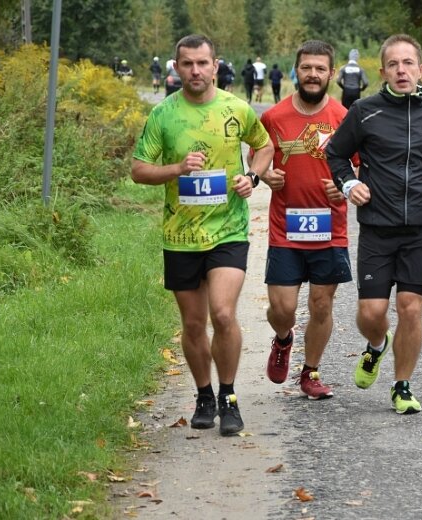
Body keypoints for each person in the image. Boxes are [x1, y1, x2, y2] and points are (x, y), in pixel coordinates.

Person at [130, 34, 274, 436]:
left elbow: (264, 147)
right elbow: (139, 170)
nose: (195, 70)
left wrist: (252, 176)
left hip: (228, 229)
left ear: (216, 66)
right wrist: (176, 169)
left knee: (223, 313)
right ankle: (204, 394)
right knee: (193, 324)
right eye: (187, 64)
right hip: (181, 235)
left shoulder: (236, 108)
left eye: (202, 63)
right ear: (176, 67)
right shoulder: (163, 115)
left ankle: (228, 396)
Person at [326, 34, 422, 414]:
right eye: (394, 64)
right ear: (383, 71)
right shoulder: (364, 111)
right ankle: (376, 345)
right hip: (377, 227)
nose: (401, 70)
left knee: (410, 308)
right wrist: (350, 183)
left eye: (408, 63)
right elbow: (336, 154)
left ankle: (401, 385)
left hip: (420, 228)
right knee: (372, 314)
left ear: (420, 70)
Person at [256, 40, 354, 400]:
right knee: (281, 309)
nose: (313, 75)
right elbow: (258, 158)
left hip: (331, 227)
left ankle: (310, 372)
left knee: (321, 304)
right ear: (296, 70)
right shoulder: (273, 117)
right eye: (306, 68)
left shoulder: (344, 119)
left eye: (320, 69)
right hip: (286, 226)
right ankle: (284, 339)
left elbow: (360, 166)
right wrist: (266, 176)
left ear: (332, 74)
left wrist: (343, 185)